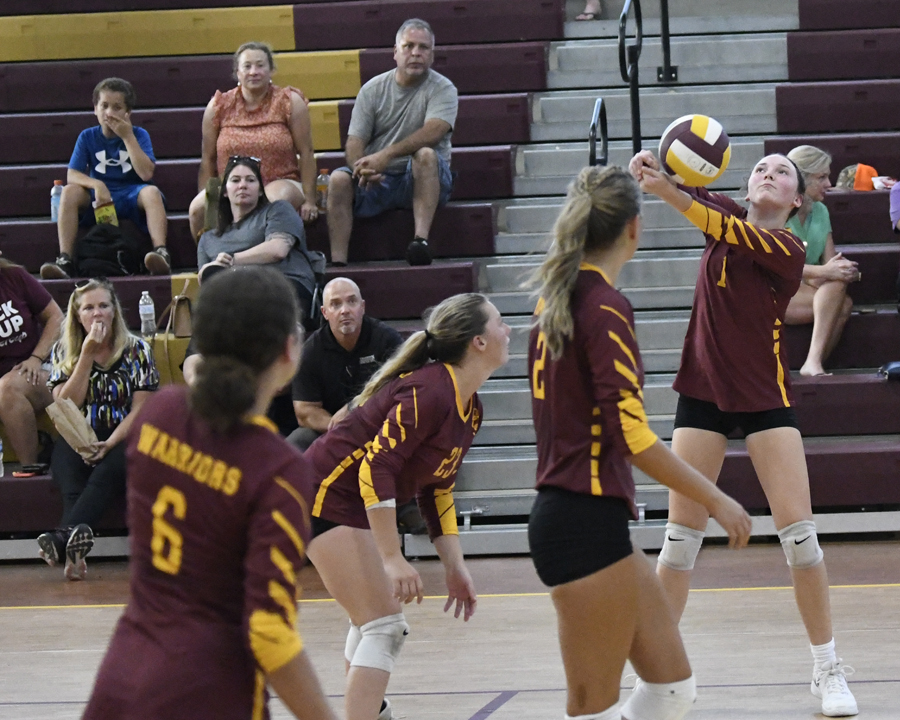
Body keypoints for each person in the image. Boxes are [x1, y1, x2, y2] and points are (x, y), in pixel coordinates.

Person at [629, 150, 859, 717]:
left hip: (763, 397)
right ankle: (659, 676)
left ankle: (827, 668)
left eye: (782, 173)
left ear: (797, 201)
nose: (768, 174)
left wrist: (667, 191)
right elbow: (694, 197)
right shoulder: (723, 212)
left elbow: (708, 218)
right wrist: (657, 167)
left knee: (800, 539)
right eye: (760, 168)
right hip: (702, 392)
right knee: (679, 542)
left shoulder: (787, 248)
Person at [527, 165, 752, 720]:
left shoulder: (556, 303)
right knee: (590, 705)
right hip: (579, 522)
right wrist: (717, 498)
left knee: (671, 689)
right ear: (634, 227)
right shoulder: (602, 306)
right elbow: (632, 436)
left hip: (590, 519)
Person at [81, 268, 337, 720]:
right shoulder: (277, 469)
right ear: (288, 351)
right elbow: (269, 633)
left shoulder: (159, 413)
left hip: (120, 679)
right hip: (209, 692)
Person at [304, 292, 510, 720]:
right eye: (500, 322)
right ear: (478, 341)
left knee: (371, 622)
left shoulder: (469, 409)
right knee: (384, 625)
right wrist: (391, 557)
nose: (508, 330)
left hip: (349, 502)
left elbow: (436, 491)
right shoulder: (430, 390)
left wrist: (454, 566)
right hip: (322, 494)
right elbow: (374, 469)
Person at [37, 278, 159, 581]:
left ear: (114, 311)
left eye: (104, 305)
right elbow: (65, 405)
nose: (97, 313)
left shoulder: (137, 349)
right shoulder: (63, 351)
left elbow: (142, 408)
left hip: (125, 433)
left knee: (109, 467)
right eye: (89, 308)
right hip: (78, 432)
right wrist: (86, 356)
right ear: (78, 315)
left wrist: (110, 442)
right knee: (68, 469)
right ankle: (74, 552)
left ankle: (61, 540)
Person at [327, 18, 458, 267]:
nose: (416, 53)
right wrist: (361, 166)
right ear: (395, 53)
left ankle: (420, 242)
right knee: (338, 179)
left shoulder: (444, 88)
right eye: (409, 46)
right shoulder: (372, 89)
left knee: (426, 155)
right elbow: (355, 141)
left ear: (432, 55)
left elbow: (434, 131)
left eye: (423, 48)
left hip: (421, 178)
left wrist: (384, 156)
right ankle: (338, 263)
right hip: (379, 179)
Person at [41, 77, 171, 280]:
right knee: (69, 191)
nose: (109, 113)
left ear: (128, 112)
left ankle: (161, 252)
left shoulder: (139, 134)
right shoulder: (87, 136)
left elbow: (146, 173)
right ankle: (65, 259)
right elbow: (72, 174)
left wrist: (127, 137)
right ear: (95, 109)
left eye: (117, 107)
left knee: (151, 192)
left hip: (131, 192)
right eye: (104, 106)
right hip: (99, 196)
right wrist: (97, 184)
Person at [189, 41, 317, 239]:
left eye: (260, 65)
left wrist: (310, 200)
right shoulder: (218, 105)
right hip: (232, 184)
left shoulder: (289, 101)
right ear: (237, 73)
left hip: (280, 180)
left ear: (271, 70)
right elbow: (208, 158)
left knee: (268, 202)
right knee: (197, 209)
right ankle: (209, 261)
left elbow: (307, 153)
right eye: (247, 66)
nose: (254, 71)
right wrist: (208, 199)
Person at [197, 155, 317, 322]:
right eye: (235, 180)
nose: (243, 185)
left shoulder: (278, 210)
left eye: (250, 180)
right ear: (224, 191)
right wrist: (207, 270)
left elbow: (278, 249)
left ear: (261, 190)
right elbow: (207, 281)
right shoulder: (208, 239)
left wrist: (232, 260)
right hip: (237, 297)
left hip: (285, 288)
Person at [289, 277, 402, 451]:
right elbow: (305, 411)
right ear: (324, 313)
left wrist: (356, 411)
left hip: (381, 426)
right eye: (335, 304)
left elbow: (404, 392)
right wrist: (342, 429)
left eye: (351, 301)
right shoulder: (310, 352)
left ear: (362, 307)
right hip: (332, 431)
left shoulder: (387, 341)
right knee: (298, 441)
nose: (345, 310)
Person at [784, 145, 860, 376]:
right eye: (822, 177)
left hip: (806, 287)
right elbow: (777, 266)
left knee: (840, 289)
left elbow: (830, 261)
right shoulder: (776, 210)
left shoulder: (820, 211)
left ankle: (813, 363)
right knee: (841, 300)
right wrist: (825, 272)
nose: (830, 184)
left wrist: (845, 270)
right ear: (801, 180)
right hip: (774, 291)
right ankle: (812, 363)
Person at [0, 252, 63, 476]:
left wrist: (36, 358)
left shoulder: (14, 277)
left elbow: (56, 317)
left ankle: (29, 467)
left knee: (7, 388)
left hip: (39, 369)